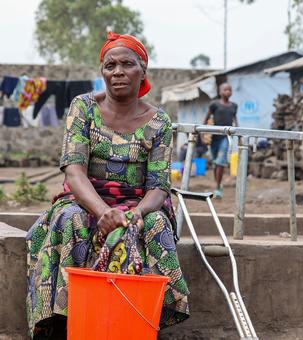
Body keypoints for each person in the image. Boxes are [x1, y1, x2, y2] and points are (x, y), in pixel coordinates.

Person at [25, 32, 189, 339]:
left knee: (155, 224)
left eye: (127, 64)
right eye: (110, 65)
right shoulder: (83, 107)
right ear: (102, 72)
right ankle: (62, 325)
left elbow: (158, 186)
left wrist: (135, 215)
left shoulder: (159, 122)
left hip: (138, 203)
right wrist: (103, 212)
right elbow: (74, 172)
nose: (117, 72)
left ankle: (139, 321)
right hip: (86, 200)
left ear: (143, 72)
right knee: (70, 217)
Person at [203, 83, 238, 198]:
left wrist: (238, 130)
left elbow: (234, 119)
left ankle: (218, 187)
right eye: (225, 89)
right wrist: (203, 133)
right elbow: (207, 118)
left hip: (225, 137)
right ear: (220, 92)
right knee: (215, 162)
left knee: (220, 161)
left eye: (229, 89)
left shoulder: (234, 106)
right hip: (214, 137)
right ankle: (217, 184)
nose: (227, 91)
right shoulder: (214, 104)